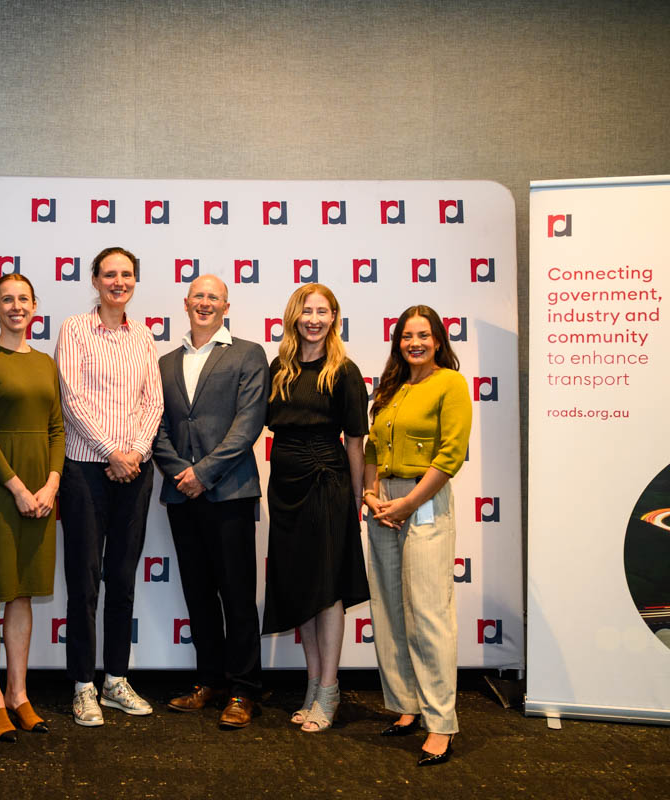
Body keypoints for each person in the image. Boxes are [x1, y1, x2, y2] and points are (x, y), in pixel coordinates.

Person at [54, 246, 164, 727]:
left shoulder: (143, 336)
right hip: (85, 470)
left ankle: (115, 680)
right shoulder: (75, 329)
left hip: (135, 472)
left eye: (127, 274)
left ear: (134, 281)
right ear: (95, 280)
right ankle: (83, 685)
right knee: (84, 582)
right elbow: (72, 399)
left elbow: (153, 402)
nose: (119, 281)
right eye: (109, 274)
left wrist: (134, 452)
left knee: (122, 579)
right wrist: (111, 452)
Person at [153, 275, 268, 729]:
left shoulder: (248, 354)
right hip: (182, 494)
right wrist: (180, 472)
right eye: (198, 296)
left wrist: (203, 473)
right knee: (198, 594)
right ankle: (209, 681)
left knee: (237, 595)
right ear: (186, 303)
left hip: (229, 491)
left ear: (226, 306)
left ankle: (243, 690)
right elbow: (155, 425)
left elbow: (248, 424)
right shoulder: (164, 362)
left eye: (213, 297)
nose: (205, 303)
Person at [363, 305, 471, 767]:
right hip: (384, 504)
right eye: (407, 336)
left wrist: (408, 503)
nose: (415, 343)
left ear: (438, 340)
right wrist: (371, 495)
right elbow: (371, 447)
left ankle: (441, 723)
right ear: (398, 342)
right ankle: (407, 705)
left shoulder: (451, 383)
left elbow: (451, 455)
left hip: (423, 499)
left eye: (423, 335)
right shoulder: (391, 387)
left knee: (428, 614)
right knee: (389, 609)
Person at [261, 283, 370, 733]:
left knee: (327, 591)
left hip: (328, 484)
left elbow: (356, 442)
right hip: (285, 486)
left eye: (322, 311)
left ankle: (329, 689)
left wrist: (355, 502)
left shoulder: (344, 371)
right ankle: (312, 684)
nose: (314, 319)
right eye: (307, 311)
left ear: (334, 318)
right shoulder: (279, 368)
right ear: (294, 316)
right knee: (301, 587)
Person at [0, 274, 64, 743]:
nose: (16, 306)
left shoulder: (45, 363)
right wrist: (19, 489)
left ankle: (19, 694)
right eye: (7, 299)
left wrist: (51, 484)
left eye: (23, 299)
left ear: (34, 306)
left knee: (23, 593)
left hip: (42, 493)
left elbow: (57, 429)